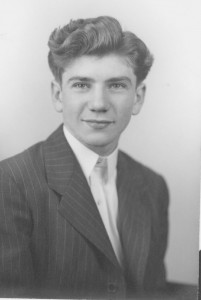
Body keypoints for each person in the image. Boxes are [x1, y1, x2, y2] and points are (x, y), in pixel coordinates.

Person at [0, 16, 169, 299]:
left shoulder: (152, 186)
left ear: (138, 97)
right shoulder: (10, 182)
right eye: (81, 85)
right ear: (58, 95)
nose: (99, 104)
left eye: (116, 85)